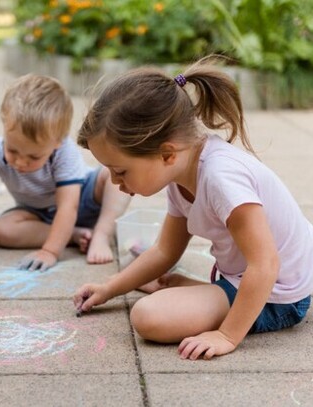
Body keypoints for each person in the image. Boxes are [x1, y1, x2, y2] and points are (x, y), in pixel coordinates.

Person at [73, 57, 313, 360]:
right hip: (250, 277)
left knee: (148, 316)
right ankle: (206, 293)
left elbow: (265, 265)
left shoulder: (221, 178)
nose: (115, 181)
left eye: (120, 170)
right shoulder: (181, 173)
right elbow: (164, 251)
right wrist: (108, 288)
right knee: (160, 283)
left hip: (279, 295)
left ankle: (215, 298)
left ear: (167, 153)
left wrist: (227, 335)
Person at [0, 73, 131, 271]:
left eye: (34, 157)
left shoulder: (64, 152)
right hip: (38, 213)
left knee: (111, 177)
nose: (20, 162)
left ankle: (101, 235)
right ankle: (74, 235)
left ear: (58, 141)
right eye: (12, 150)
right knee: (1, 230)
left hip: (84, 199)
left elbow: (68, 207)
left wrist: (50, 251)